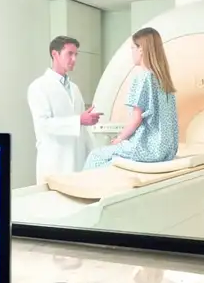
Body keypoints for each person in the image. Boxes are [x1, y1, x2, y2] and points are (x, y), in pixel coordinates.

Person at [83, 27, 178, 170]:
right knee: (111, 162)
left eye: (133, 48)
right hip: (166, 150)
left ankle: (88, 190)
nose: (131, 52)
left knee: (96, 156)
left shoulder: (142, 78)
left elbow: (136, 120)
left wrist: (120, 139)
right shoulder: (164, 81)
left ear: (141, 49)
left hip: (146, 149)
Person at [27, 36, 103, 183]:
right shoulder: (38, 87)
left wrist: (95, 155)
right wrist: (79, 120)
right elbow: (43, 125)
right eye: (70, 54)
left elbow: (83, 130)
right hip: (54, 163)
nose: (74, 59)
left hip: (77, 162)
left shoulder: (75, 89)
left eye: (76, 55)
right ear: (55, 54)